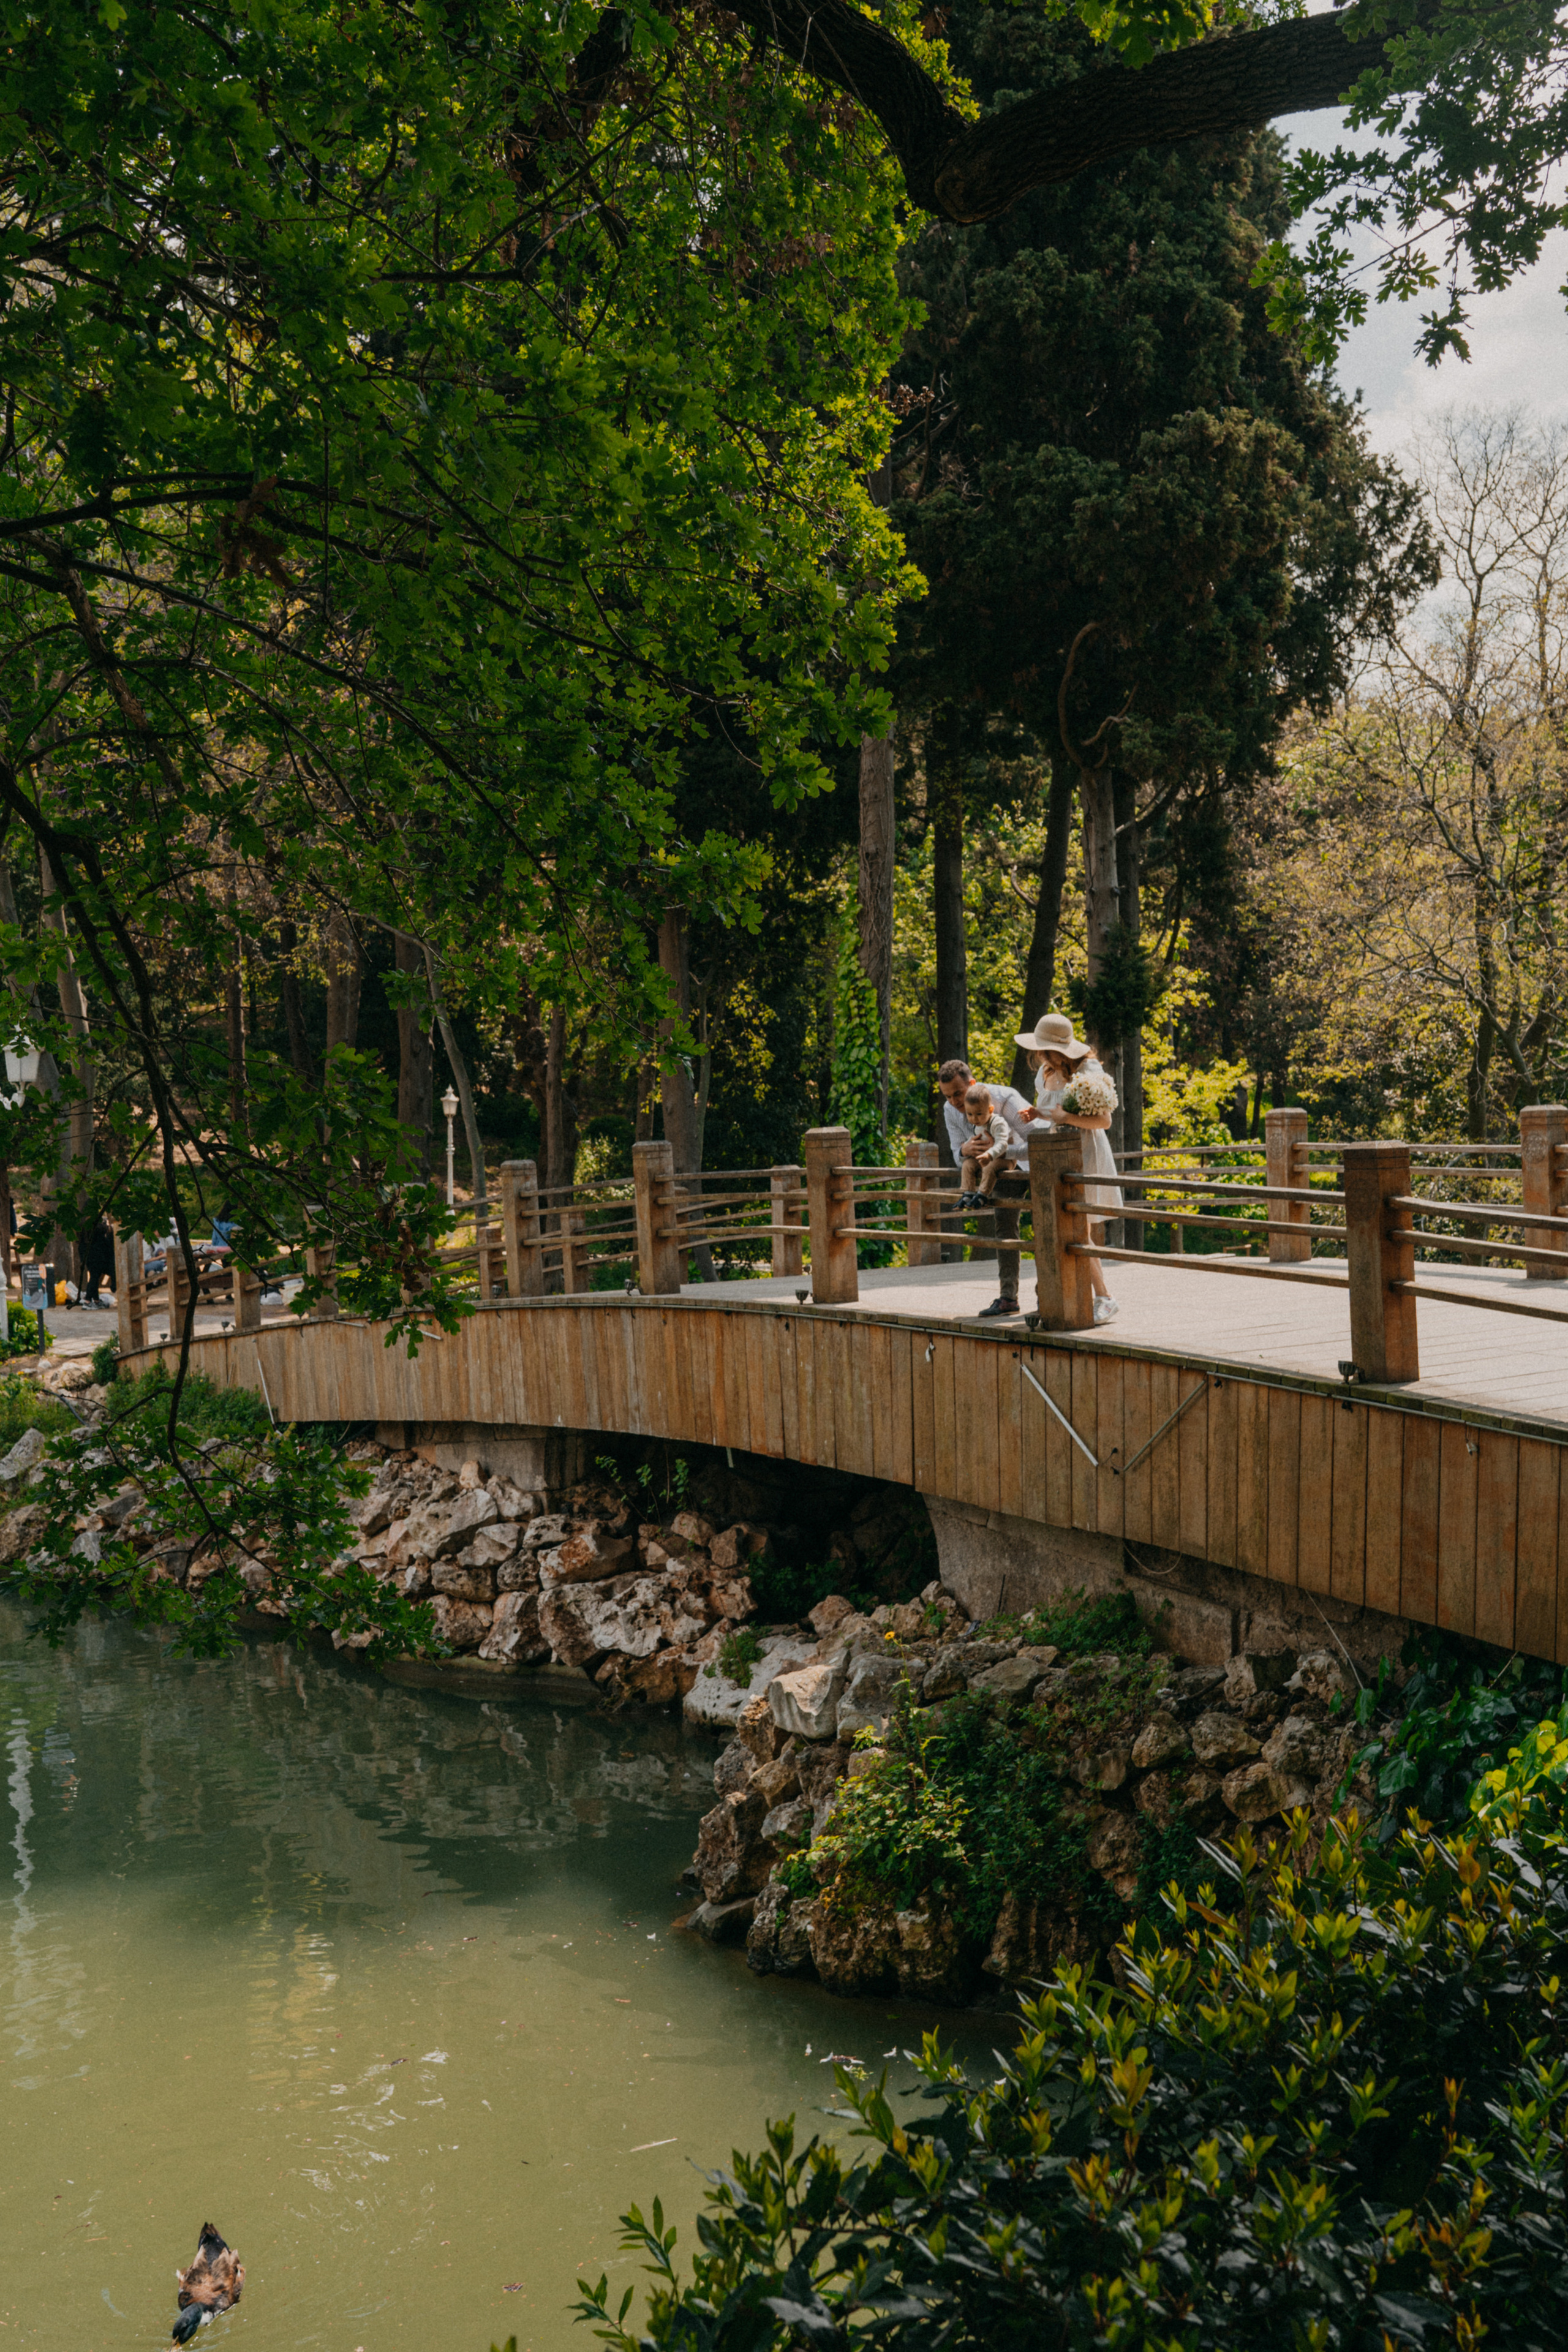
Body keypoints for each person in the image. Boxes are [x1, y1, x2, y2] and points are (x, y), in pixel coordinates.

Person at [1013, 1011, 1123, 1326]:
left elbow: (1104, 1121)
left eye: (1045, 1049)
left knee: (1079, 1228)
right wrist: (1038, 1112)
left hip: (1085, 1151)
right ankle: (1085, 1296)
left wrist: (1064, 1118)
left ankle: (1105, 1297)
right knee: (1068, 1227)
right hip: (1055, 1153)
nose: (1040, 1055)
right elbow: (1055, 1112)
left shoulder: (1087, 1070)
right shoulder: (1045, 1073)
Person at [934, 1058, 1033, 1319]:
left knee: (1047, 1225)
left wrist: (997, 1151)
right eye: (948, 1096)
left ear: (973, 1083)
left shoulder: (1006, 1098)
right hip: (996, 1170)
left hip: (1032, 1163)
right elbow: (958, 1152)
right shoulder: (949, 1109)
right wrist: (964, 1151)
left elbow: (1038, 1141)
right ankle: (1008, 1298)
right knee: (1004, 1226)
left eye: (959, 1093)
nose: (955, 1102)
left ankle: (1048, 1292)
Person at [957, 1085, 1014, 1208]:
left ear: (991, 1109)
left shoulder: (997, 1123)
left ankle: (982, 1195)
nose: (974, 1118)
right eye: (970, 1114)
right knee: (968, 1165)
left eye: (979, 1114)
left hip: (1005, 1159)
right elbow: (978, 1138)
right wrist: (967, 1147)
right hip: (986, 1157)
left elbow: (1003, 1143)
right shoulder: (977, 1125)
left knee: (989, 1166)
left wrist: (990, 1154)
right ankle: (968, 1193)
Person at [81, 1215, 116, 1308]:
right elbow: (102, 1230)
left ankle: (96, 1300)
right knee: (94, 1278)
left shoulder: (86, 1227)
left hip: (90, 1256)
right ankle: (88, 1301)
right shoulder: (94, 1228)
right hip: (96, 1257)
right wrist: (108, 1227)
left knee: (94, 1278)